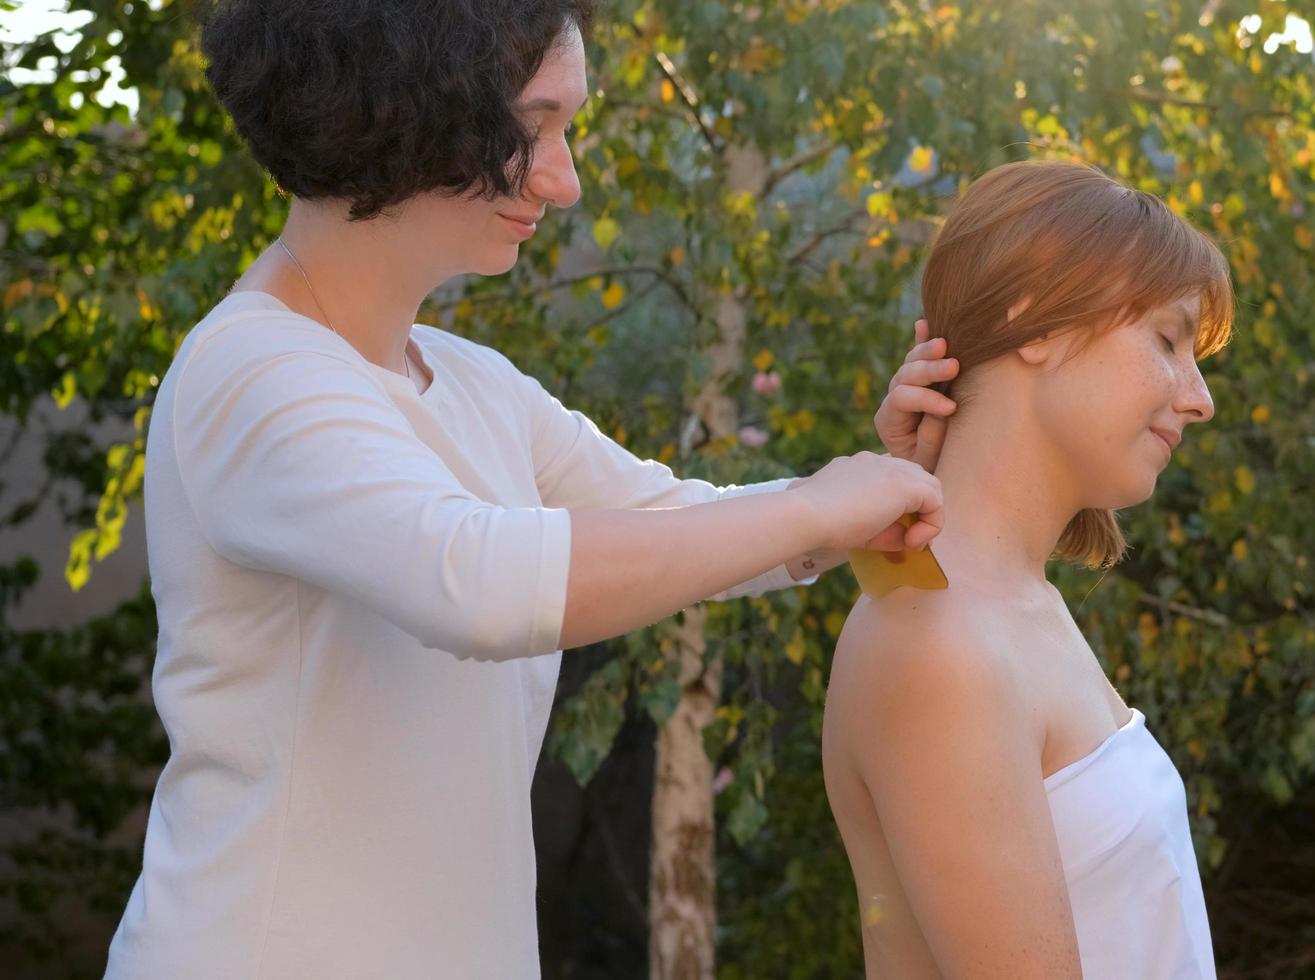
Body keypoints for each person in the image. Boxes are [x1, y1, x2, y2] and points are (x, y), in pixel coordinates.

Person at [104, 2, 958, 977]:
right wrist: (816, 506)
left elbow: (674, 522)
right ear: (399, 102)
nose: (563, 179)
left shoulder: (471, 381)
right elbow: (478, 581)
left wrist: (863, 491)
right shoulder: (249, 369)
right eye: (532, 125)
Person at [822, 159, 1233, 979]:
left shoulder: (1014, 605)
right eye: (1165, 340)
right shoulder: (937, 638)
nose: (1199, 399)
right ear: (1037, 318)